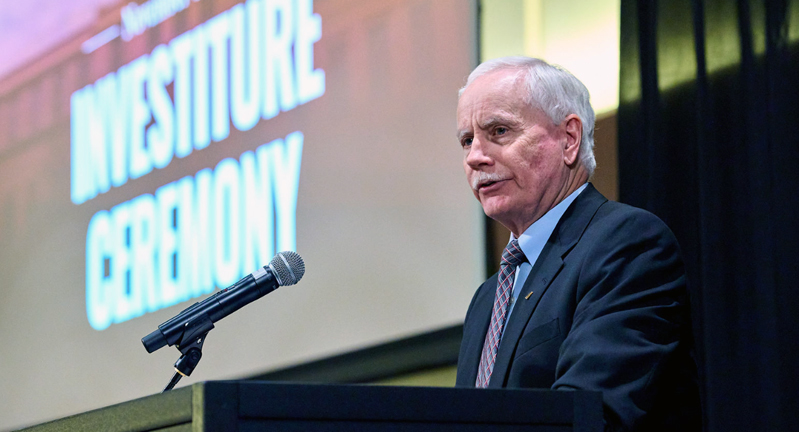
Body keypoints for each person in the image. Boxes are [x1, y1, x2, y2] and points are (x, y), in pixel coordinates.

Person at [454, 57, 701, 431]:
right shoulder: (486, 299)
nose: (475, 157)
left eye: (500, 131)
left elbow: (589, 414)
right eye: (467, 140)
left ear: (568, 139)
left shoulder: (627, 244)